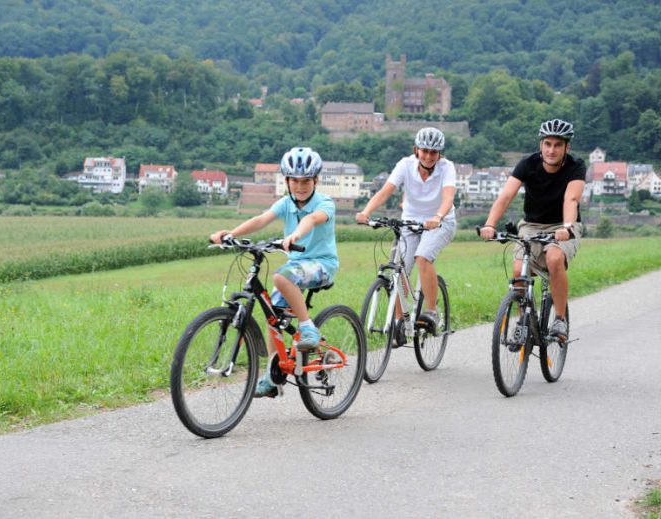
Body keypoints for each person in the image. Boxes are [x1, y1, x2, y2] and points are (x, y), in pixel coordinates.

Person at [210, 146, 338, 398]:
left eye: (305, 181)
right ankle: (273, 370)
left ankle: (308, 327)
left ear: (316, 180)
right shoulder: (285, 203)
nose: (300, 186)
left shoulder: (325, 203)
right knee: (272, 313)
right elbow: (261, 219)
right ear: (287, 181)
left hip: (322, 265)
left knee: (281, 276)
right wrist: (230, 234)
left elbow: (311, 220)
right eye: (294, 181)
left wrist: (294, 236)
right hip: (296, 266)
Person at [479, 118, 586, 341]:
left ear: (567, 147)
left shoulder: (576, 166)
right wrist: (490, 224)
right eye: (547, 144)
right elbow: (506, 196)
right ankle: (523, 321)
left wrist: (566, 227)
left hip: (563, 225)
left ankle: (559, 319)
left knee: (554, 258)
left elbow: (571, 198)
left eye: (558, 145)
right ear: (541, 145)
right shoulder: (527, 164)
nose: (552, 150)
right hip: (531, 225)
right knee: (519, 271)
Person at [355, 127, 457, 335]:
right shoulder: (405, 165)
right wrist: (365, 212)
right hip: (410, 223)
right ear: (416, 150)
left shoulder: (447, 168)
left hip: (440, 222)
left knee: (423, 257)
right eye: (424, 151)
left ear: (440, 154)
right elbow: (385, 192)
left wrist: (437, 217)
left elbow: (448, 198)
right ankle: (400, 323)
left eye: (433, 152)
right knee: (400, 269)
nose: (428, 156)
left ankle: (431, 312)